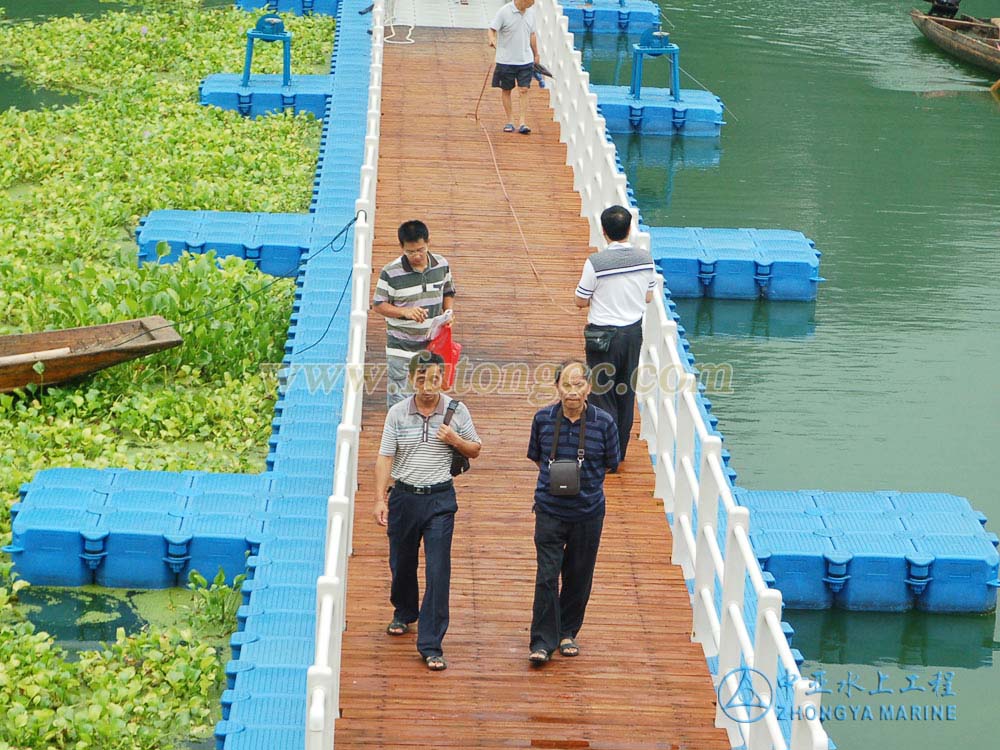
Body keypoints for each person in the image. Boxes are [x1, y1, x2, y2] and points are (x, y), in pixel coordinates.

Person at [373, 350, 482, 671]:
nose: (428, 385)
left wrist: (455, 440)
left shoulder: (456, 411)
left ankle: (431, 643)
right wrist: (380, 498)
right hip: (405, 497)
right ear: (411, 379)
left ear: (443, 378)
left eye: (434, 378)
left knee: (438, 570)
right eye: (421, 378)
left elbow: (476, 448)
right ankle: (405, 611)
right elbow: (384, 457)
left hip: (440, 500)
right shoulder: (396, 413)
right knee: (401, 562)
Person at [525, 359, 619, 665]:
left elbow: (610, 463)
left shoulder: (604, 422)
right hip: (550, 509)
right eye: (566, 385)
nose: (573, 392)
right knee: (547, 575)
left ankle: (567, 632)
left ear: (589, 388)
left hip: (588, 510)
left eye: (579, 385)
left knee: (579, 574)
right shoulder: (542, 419)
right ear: (557, 387)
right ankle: (541, 640)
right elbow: (538, 458)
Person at [574, 205, 656, 465]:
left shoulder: (596, 263)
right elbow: (649, 295)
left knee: (601, 394)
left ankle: (603, 453)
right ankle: (618, 453)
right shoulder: (645, 258)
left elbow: (580, 300)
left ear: (603, 231)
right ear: (629, 229)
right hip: (633, 334)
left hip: (602, 337)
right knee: (625, 392)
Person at [372, 221, 456, 406]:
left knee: (428, 392)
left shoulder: (441, 265)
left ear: (428, 242)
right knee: (399, 395)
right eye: (410, 252)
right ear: (401, 247)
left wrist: (448, 312)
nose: (416, 256)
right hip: (400, 345)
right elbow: (378, 304)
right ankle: (397, 432)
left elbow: (448, 292)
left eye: (420, 250)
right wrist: (405, 311)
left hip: (431, 345)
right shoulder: (390, 272)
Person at [488, 0, 539, 135]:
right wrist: (492, 39)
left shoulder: (531, 13)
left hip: (525, 59)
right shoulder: (504, 11)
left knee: (524, 89)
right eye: (532, 0)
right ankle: (510, 121)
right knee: (506, 90)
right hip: (506, 60)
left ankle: (522, 122)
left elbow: (532, 34)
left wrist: (536, 54)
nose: (533, 3)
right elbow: (492, 29)